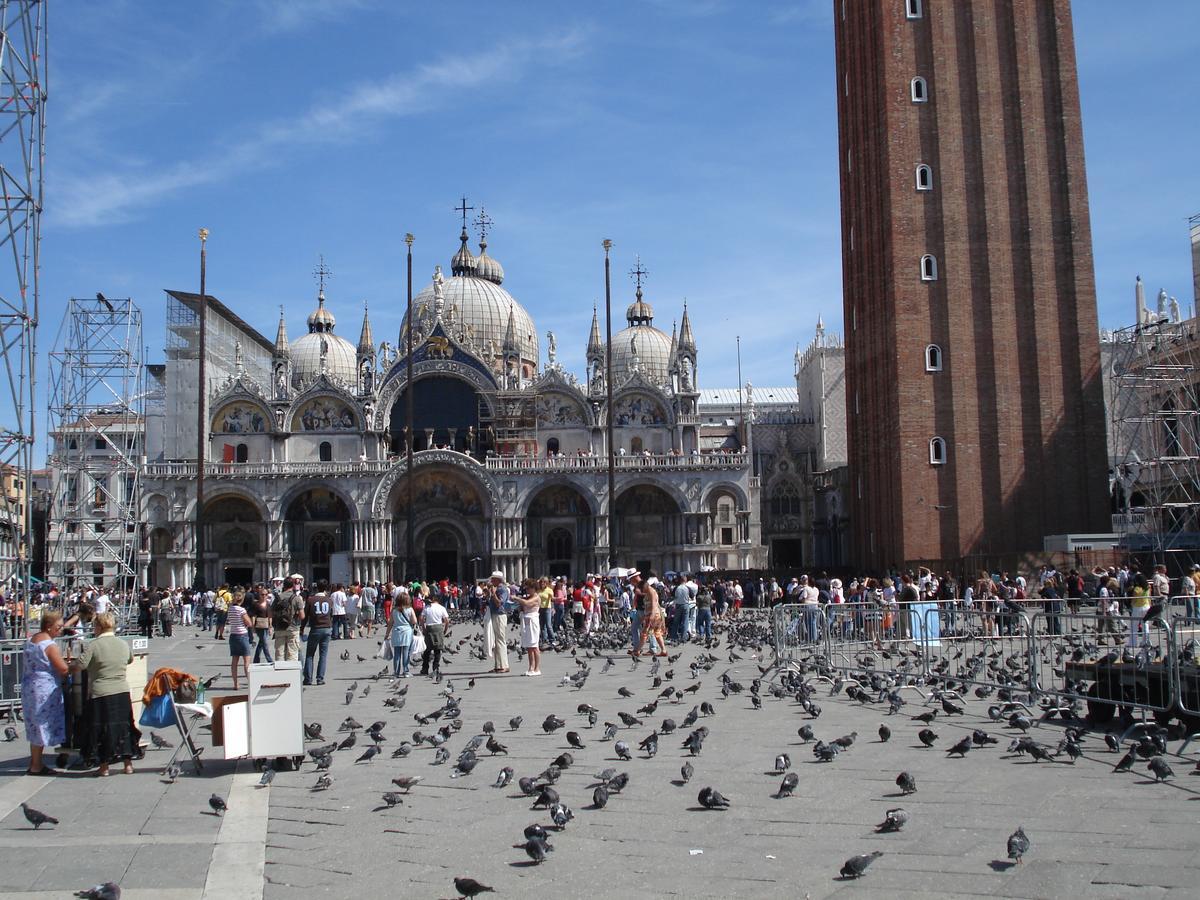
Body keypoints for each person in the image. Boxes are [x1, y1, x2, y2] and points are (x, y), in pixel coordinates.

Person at [75, 612, 140, 776]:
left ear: (98, 627)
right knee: (124, 726)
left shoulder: (94, 645)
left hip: (101, 692)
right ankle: (128, 764)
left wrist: (69, 667)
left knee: (102, 728)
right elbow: (130, 659)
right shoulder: (123, 644)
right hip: (122, 690)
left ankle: (104, 767)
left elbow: (81, 665)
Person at [21, 610, 69, 776]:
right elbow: (62, 668)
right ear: (49, 627)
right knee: (42, 723)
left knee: (34, 725)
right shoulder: (49, 645)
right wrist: (72, 666)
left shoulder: (31, 640)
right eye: (59, 626)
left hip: (29, 686)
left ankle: (35, 762)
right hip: (44, 688)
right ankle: (36, 765)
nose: (61, 629)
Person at [303, 582, 333, 686]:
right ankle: (320, 679)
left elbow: (305, 616)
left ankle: (308, 678)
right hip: (327, 628)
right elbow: (331, 614)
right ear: (325, 589)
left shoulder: (311, 600)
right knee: (323, 655)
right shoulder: (329, 600)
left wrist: (302, 629)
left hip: (315, 628)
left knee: (310, 654)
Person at [272, 578, 306, 662]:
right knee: (292, 654)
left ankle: (280, 673)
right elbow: (302, 616)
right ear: (293, 585)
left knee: (279, 654)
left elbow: (271, 612)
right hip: (293, 628)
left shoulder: (278, 597)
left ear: (284, 585)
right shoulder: (297, 598)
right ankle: (291, 674)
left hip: (279, 628)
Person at [226, 590, 254, 690]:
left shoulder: (230, 609)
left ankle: (235, 684)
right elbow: (249, 623)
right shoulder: (241, 610)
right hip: (242, 635)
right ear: (242, 600)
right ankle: (250, 682)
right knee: (247, 662)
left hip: (233, 635)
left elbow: (230, 620)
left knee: (234, 661)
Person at [387, 591, 417, 677]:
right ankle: (406, 671)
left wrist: (387, 634)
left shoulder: (394, 610)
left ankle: (396, 672)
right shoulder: (410, 609)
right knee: (406, 652)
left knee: (397, 653)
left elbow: (390, 623)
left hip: (396, 632)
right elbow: (414, 621)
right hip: (407, 632)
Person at [420, 593, 450, 676]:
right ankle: (435, 667)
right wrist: (444, 630)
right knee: (437, 649)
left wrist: (423, 628)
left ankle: (425, 668)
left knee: (427, 649)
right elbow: (447, 621)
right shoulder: (442, 608)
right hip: (439, 628)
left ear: (433, 598)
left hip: (429, 628)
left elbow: (421, 619)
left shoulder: (427, 608)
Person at [486, 571, 510, 674]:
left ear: (498, 580)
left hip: (500, 615)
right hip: (494, 615)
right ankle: (497, 665)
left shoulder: (503, 589)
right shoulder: (495, 589)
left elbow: (499, 603)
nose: (491, 581)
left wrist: (494, 593)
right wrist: (490, 592)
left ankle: (504, 665)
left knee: (500, 640)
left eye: (493, 579)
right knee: (495, 641)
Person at [518, 582, 542, 676]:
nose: (527, 590)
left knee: (534, 646)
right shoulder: (527, 597)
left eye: (528, 588)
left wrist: (517, 598)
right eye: (526, 588)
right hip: (526, 622)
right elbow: (523, 606)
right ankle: (531, 668)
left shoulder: (536, 597)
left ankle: (537, 668)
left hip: (533, 622)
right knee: (529, 647)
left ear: (533, 588)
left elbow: (527, 603)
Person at [250, 588, 273, 664]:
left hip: (266, 625)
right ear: (259, 595)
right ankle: (269, 660)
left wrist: (270, 627)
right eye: (262, 594)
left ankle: (256, 660)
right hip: (259, 626)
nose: (264, 596)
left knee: (261, 643)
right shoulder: (255, 604)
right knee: (264, 643)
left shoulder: (268, 604)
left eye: (266, 594)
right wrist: (252, 627)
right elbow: (253, 616)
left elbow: (270, 616)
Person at [537, 577, 555, 646]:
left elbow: (552, 598)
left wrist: (555, 599)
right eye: (541, 582)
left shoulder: (549, 590)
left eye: (544, 582)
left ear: (546, 583)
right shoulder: (538, 591)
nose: (542, 584)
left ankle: (552, 639)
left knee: (548, 625)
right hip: (540, 608)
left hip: (547, 608)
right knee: (542, 625)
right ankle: (544, 639)